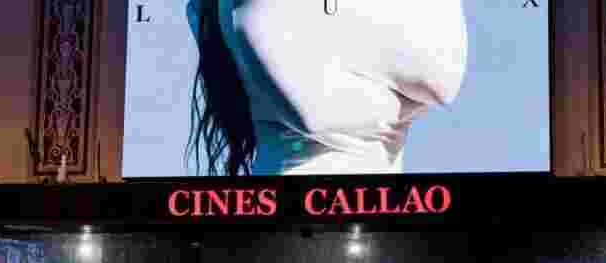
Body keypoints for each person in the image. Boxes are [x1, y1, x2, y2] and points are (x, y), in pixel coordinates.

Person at [187, 0, 467, 175]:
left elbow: (443, 84)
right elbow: (316, 116)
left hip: (381, 218)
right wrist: (408, 106)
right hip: (289, 216)